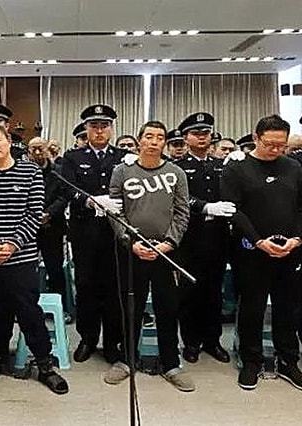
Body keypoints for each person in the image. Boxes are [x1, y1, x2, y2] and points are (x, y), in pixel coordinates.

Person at [0, 124, 68, 394]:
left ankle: (45, 365)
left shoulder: (30, 171)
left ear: (9, 141)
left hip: (20, 257)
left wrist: (12, 245)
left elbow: (34, 214)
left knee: (29, 312)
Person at [106, 120, 193, 392]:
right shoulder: (122, 171)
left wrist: (169, 243)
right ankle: (126, 359)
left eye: (159, 137)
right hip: (132, 251)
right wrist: (129, 242)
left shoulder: (176, 173)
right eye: (149, 136)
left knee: (168, 307)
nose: (154, 142)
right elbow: (115, 211)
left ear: (164, 142)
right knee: (131, 307)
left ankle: (170, 363)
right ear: (139, 140)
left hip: (165, 253)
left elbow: (182, 212)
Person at [221, 115, 302, 391]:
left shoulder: (294, 167)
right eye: (270, 144)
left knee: (287, 307)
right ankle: (251, 360)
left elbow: (301, 208)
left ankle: (288, 360)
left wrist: (296, 239)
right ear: (256, 138)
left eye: (281, 145)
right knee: (252, 308)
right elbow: (233, 209)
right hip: (252, 250)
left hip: (289, 250)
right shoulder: (237, 168)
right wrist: (257, 241)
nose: (276, 150)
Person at [60, 104, 127, 365]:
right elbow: (67, 189)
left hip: (115, 231)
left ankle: (112, 342)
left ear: (111, 129)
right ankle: (87, 338)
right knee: (86, 286)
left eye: (104, 126)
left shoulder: (124, 157)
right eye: (94, 126)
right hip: (84, 230)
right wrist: (89, 201)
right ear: (86, 129)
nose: (99, 131)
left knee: (114, 288)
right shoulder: (72, 157)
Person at [174, 112, 232, 364]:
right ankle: (191, 342)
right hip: (190, 236)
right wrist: (205, 206)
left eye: (206, 133)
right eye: (196, 133)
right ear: (186, 138)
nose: (201, 137)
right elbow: (178, 197)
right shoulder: (177, 167)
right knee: (190, 292)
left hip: (217, 236)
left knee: (214, 291)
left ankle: (212, 341)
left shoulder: (222, 165)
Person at [27, 137, 70, 318]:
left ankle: (61, 308)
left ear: (47, 149)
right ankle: (28, 308)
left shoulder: (58, 171)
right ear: (28, 152)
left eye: (41, 148)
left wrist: (49, 213)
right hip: (29, 228)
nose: (37, 153)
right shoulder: (23, 172)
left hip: (53, 226)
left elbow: (64, 196)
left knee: (55, 269)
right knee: (27, 270)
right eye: (33, 149)